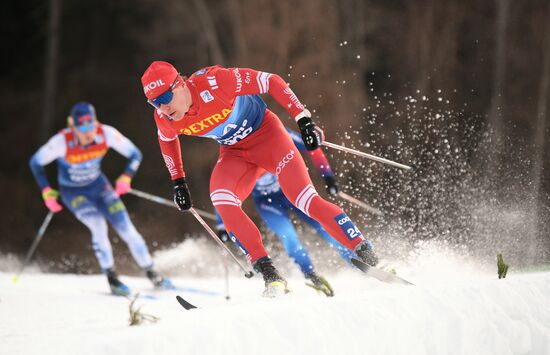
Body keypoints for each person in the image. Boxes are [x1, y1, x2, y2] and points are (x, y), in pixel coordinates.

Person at [140, 62, 378, 297]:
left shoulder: (216, 81)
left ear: (180, 84)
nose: (162, 108)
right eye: (154, 102)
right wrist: (178, 181)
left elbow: (271, 81)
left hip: (268, 137)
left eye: (165, 98)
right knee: (222, 199)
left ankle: (364, 251)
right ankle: (271, 276)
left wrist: (303, 119)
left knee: (304, 199)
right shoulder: (165, 118)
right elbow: (167, 141)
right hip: (235, 153)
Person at [29, 102, 172, 296]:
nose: (89, 133)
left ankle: (152, 273)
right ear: (73, 127)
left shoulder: (106, 134)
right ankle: (112, 278)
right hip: (74, 193)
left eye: (91, 127)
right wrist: (46, 191)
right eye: (83, 129)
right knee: (98, 226)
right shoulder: (62, 142)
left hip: (99, 187)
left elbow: (135, 154)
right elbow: (36, 162)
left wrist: (126, 176)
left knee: (127, 229)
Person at [215, 129, 357, 297]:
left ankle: (354, 260)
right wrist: (222, 223)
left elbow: (312, 147)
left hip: (291, 190)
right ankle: (311, 275)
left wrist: (328, 177)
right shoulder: (233, 150)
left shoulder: (274, 130)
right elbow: (224, 191)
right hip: (267, 202)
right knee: (288, 237)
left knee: (322, 226)